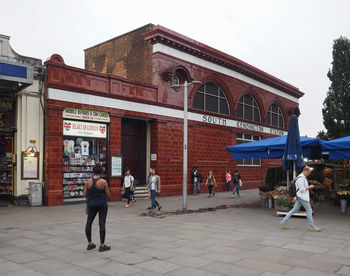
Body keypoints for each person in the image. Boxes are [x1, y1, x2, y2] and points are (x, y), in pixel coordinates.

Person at [280, 166, 321, 231]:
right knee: (309, 210)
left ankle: (284, 221)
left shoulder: (301, 177)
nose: (309, 174)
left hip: (300, 196)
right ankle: (312, 226)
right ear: (306, 171)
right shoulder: (301, 178)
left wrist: (308, 188)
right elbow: (302, 190)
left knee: (294, 209)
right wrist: (309, 187)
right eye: (309, 172)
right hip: (302, 196)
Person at [84, 163, 111, 252]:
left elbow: (84, 194)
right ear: (101, 171)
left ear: (93, 171)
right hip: (102, 204)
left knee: (89, 223)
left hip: (92, 204)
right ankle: (102, 245)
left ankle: (90, 244)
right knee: (102, 223)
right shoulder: (103, 182)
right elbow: (108, 195)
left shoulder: (88, 181)